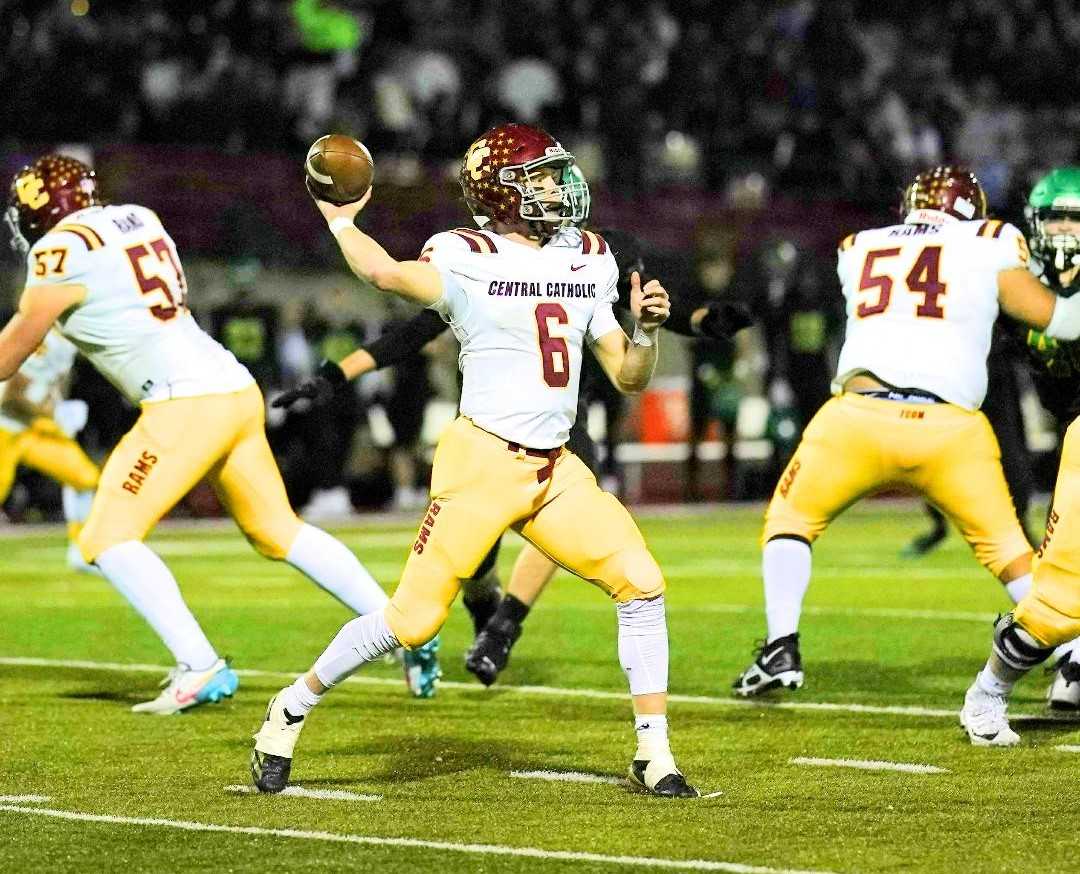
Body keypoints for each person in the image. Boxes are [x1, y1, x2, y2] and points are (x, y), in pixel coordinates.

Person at [252, 123, 698, 797]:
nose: (559, 187)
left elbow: (629, 375)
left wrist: (648, 330)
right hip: (482, 464)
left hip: (555, 469)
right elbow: (385, 273)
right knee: (412, 622)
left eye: (557, 173)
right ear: (503, 190)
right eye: (541, 177)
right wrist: (342, 222)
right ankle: (289, 708)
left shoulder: (587, 255)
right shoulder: (465, 254)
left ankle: (653, 753)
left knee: (642, 583)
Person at [0, 154, 438, 713]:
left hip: (183, 401)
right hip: (231, 385)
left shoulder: (58, 251)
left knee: (107, 537)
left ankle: (198, 665)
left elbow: (12, 352)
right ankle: (402, 631)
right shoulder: (137, 217)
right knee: (278, 532)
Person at [275, 226, 752, 686]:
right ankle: (485, 604)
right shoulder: (482, 259)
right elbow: (415, 331)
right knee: (472, 564)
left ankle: (503, 627)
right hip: (488, 428)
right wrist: (338, 372)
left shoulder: (595, 252)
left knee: (569, 521)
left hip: (563, 420)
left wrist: (700, 321)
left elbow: (646, 305)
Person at [731, 166, 1080, 700]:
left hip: (857, 419)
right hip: (950, 429)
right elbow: (1055, 320)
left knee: (790, 521)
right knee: (1010, 552)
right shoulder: (989, 240)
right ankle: (1070, 655)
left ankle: (781, 646)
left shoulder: (859, 246)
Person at [960, 166, 1080, 742]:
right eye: (1055, 217)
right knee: (1060, 597)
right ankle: (988, 693)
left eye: (1073, 219)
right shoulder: (1012, 285)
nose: (1063, 231)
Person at [0, 327, 98, 572]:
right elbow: (11, 398)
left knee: (84, 478)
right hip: (5, 426)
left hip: (33, 428)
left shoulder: (68, 340)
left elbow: (49, 385)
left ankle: (81, 550)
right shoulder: (42, 338)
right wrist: (54, 414)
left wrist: (58, 409)